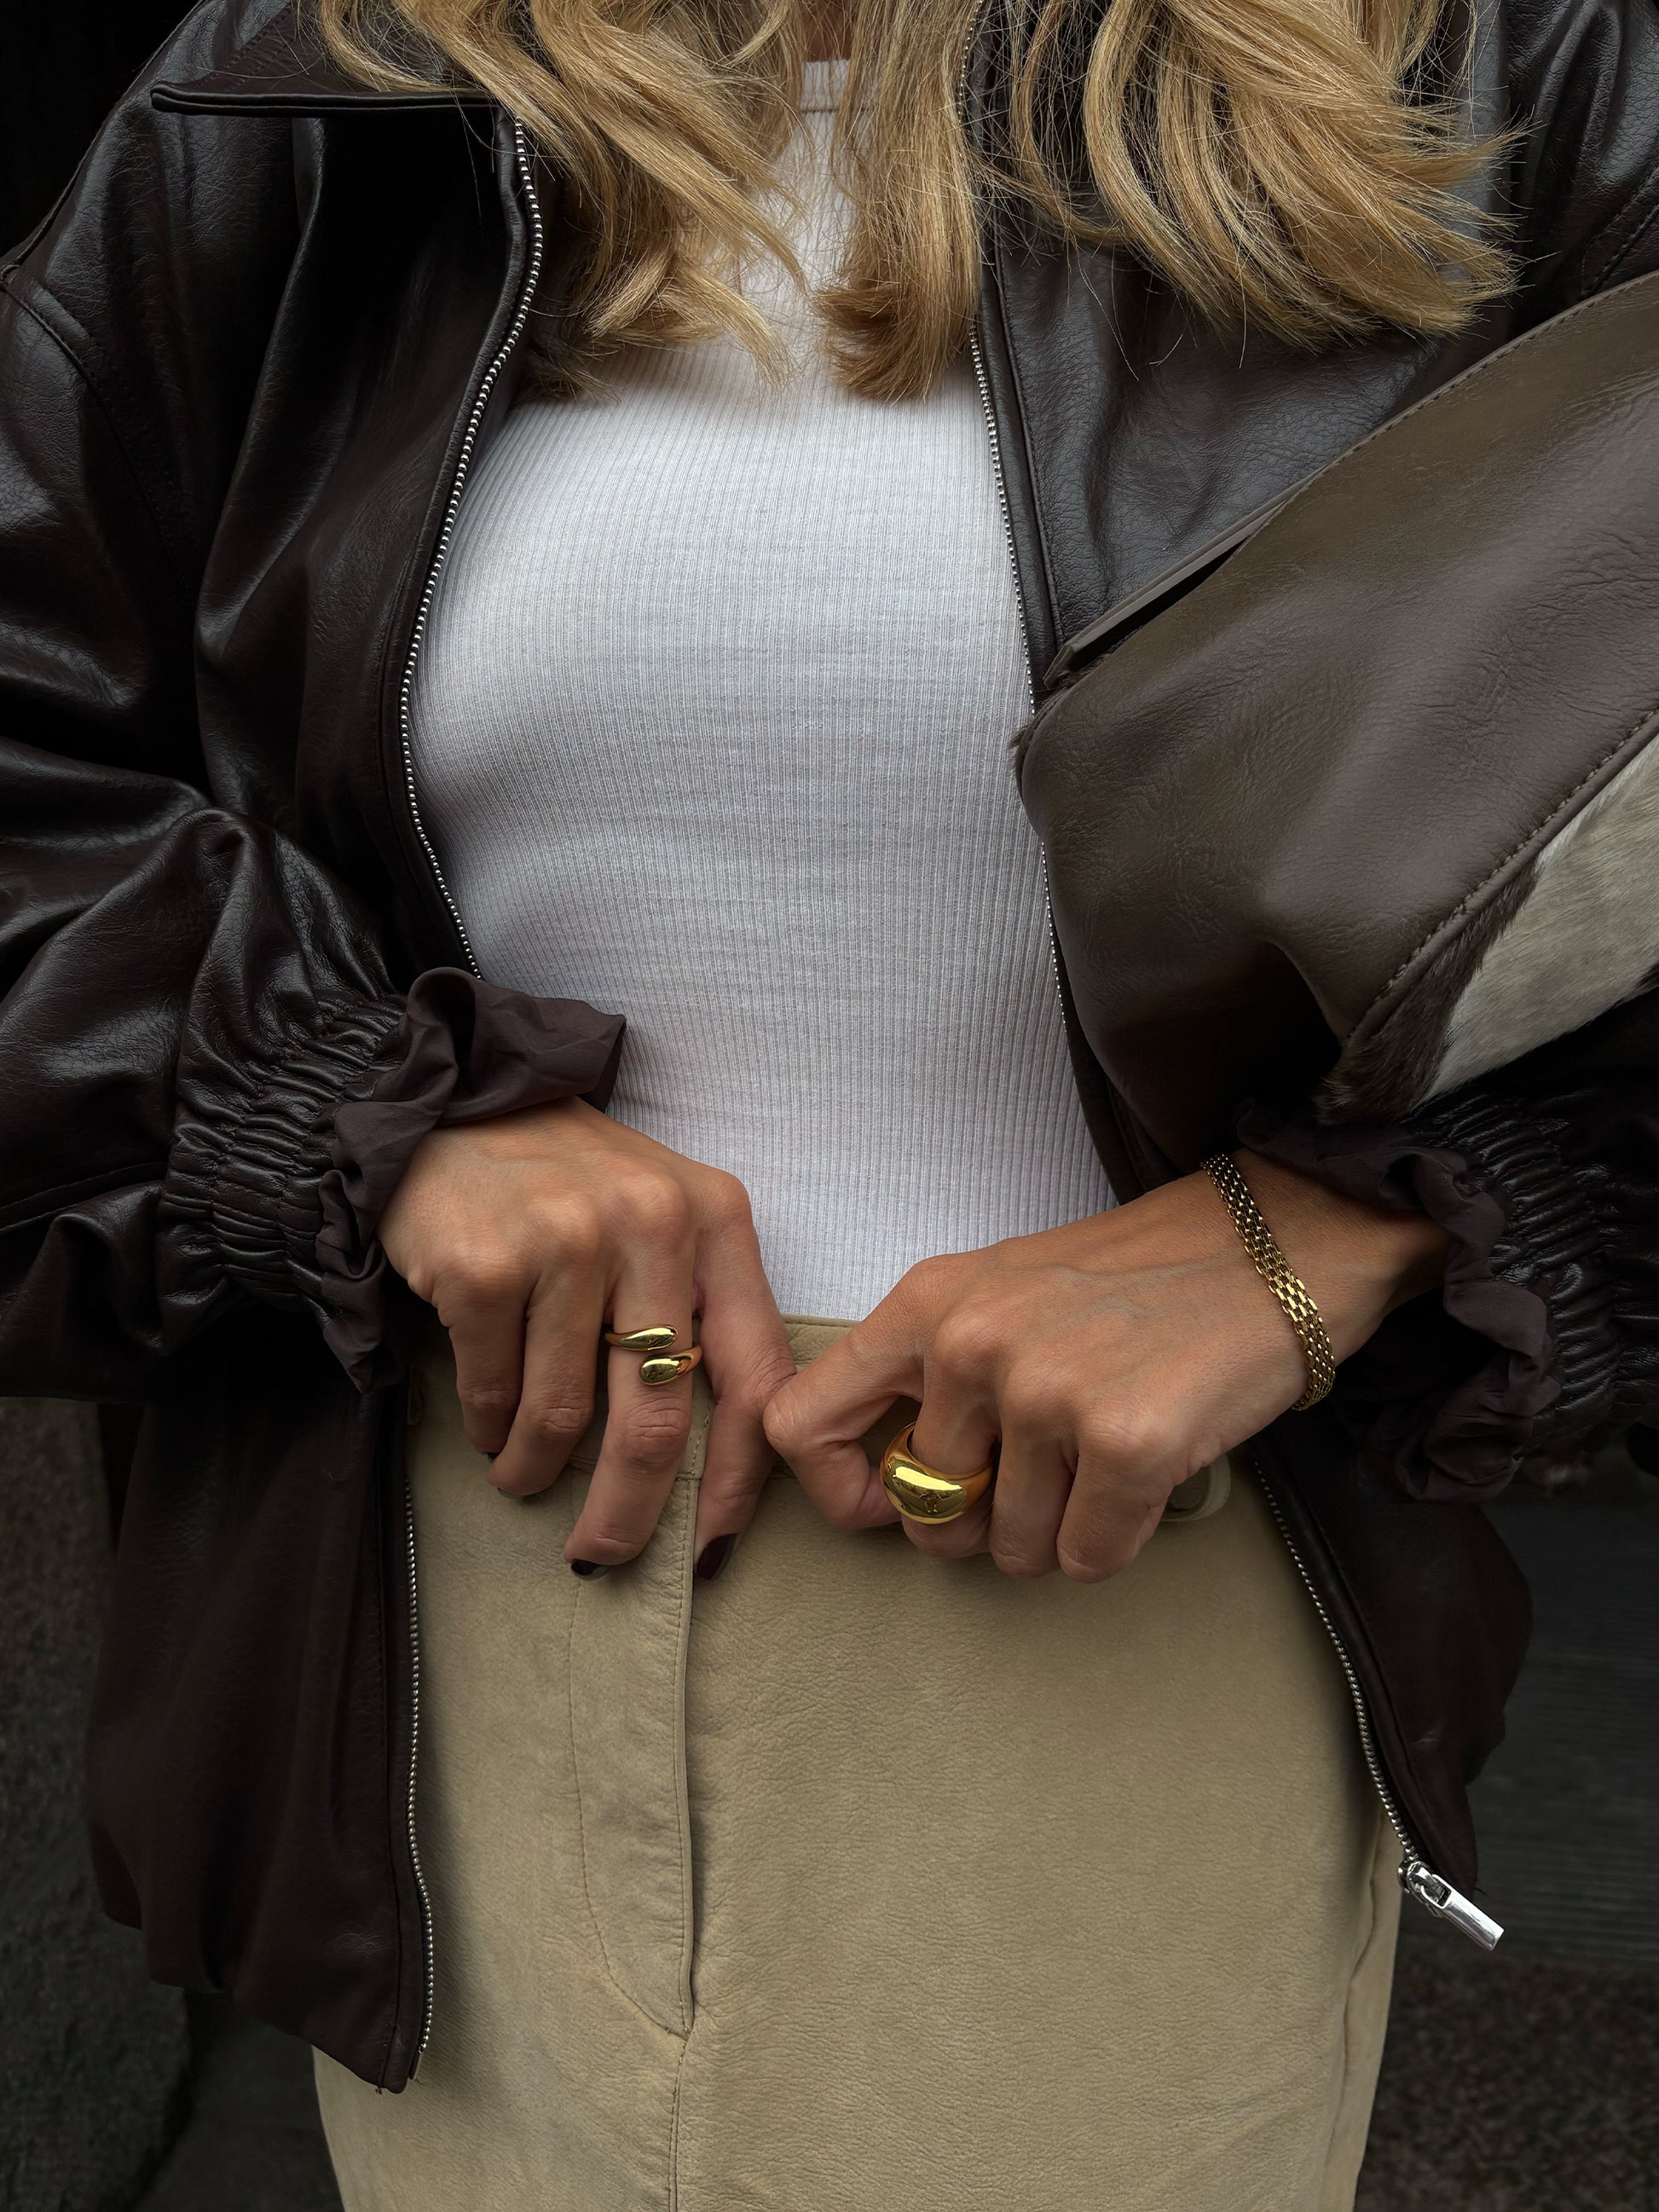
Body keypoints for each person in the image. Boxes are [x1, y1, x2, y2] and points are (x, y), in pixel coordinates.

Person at [2, 0, 1656, 2204]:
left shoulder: (1501, 65)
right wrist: (354, 1105)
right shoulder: (330, 79)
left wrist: (1360, 1223)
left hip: (1105, 1610)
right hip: (449, 1596)